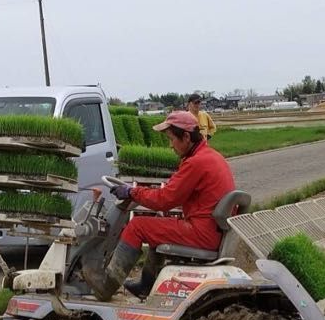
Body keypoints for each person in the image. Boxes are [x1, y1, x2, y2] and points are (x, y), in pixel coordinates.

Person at [82, 110, 236, 300]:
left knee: (138, 226)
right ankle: (147, 284)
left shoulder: (196, 163)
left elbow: (164, 200)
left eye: (172, 139)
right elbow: (173, 193)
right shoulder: (211, 157)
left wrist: (132, 192)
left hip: (202, 233)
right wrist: (137, 191)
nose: (171, 145)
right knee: (159, 224)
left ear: (186, 137)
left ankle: (106, 286)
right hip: (211, 231)